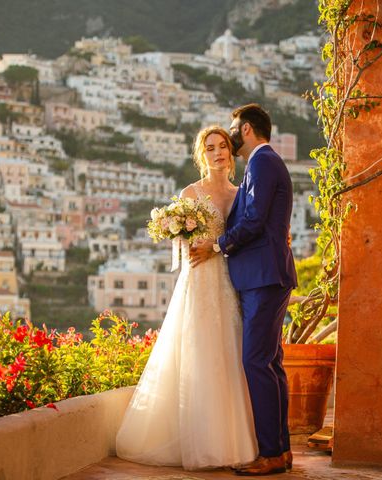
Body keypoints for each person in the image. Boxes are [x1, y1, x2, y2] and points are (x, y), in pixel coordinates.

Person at [115, 126, 258, 470]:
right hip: (198, 283)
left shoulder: (241, 194)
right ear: (201, 155)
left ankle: (229, 440)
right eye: (210, 148)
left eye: (223, 146)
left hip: (228, 281)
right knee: (199, 354)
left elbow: (243, 236)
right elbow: (180, 245)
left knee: (228, 355)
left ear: (230, 151)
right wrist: (185, 239)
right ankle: (198, 442)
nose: (218, 153)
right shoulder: (191, 193)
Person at [189, 104, 297, 476]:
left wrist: (217, 245)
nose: (231, 138)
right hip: (264, 275)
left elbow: (253, 220)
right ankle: (280, 449)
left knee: (255, 361)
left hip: (264, 277)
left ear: (247, 129)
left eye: (234, 130)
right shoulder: (262, 164)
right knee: (271, 362)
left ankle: (270, 453)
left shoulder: (263, 162)